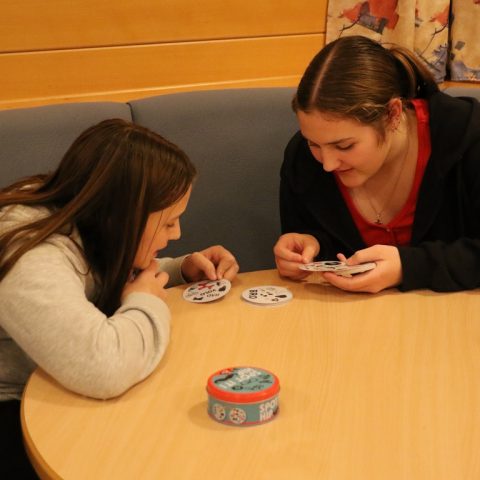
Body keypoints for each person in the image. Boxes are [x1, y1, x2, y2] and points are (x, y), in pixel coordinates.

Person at [0, 118, 238, 476]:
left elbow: (94, 280)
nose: (177, 234)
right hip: (16, 408)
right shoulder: (28, 253)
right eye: (168, 222)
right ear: (122, 215)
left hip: (57, 387)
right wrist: (147, 300)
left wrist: (179, 270)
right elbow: (102, 368)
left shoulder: (83, 214)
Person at [274, 35, 480, 294]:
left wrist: (408, 267)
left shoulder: (466, 137)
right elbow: (328, 250)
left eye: (344, 146)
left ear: (393, 114)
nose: (327, 164)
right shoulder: (302, 159)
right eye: (313, 143)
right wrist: (310, 245)